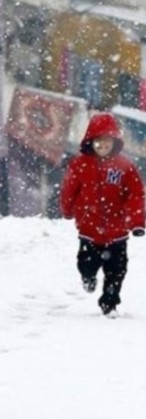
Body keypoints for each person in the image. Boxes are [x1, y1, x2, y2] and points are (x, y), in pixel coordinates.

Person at [60, 112, 145, 317]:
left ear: (114, 142)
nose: (102, 146)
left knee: (116, 271)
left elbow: (135, 195)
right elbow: (69, 189)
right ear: (91, 142)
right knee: (86, 263)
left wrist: (137, 221)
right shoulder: (80, 165)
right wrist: (67, 208)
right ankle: (88, 277)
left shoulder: (125, 167)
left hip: (117, 233)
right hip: (89, 229)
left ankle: (110, 303)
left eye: (107, 142)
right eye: (98, 142)